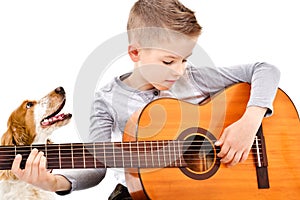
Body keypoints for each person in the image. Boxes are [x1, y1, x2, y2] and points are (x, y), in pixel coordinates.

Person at [11, 0, 280, 199]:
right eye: (168, 61)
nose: (179, 70)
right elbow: (96, 166)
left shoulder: (194, 78)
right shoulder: (106, 101)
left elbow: (265, 69)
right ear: (135, 53)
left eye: (184, 60)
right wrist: (52, 182)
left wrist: (249, 123)